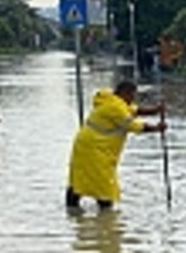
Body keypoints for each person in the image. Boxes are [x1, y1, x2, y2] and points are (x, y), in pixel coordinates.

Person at [66, 81, 167, 210]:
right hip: (95, 148)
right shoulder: (115, 107)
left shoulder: (111, 100)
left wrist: (155, 111)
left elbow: (133, 110)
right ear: (124, 93)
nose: (133, 99)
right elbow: (132, 125)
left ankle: (73, 213)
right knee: (104, 187)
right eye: (132, 95)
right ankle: (105, 218)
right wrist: (157, 128)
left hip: (91, 146)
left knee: (81, 180)